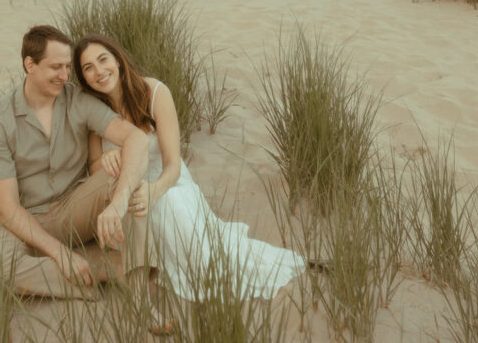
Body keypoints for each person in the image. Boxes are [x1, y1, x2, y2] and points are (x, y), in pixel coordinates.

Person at [73, 33, 307, 301]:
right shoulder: (95, 110)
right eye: (88, 68)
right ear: (83, 77)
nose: (99, 71)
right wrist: (103, 161)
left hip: (166, 183)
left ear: (117, 59)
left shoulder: (154, 93)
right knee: (134, 212)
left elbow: (173, 164)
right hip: (124, 191)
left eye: (103, 59)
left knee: (178, 220)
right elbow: (93, 169)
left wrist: (154, 190)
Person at [0, 24, 152, 302]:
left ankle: (138, 290)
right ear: (30, 65)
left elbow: (137, 140)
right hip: (27, 221)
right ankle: (106, 271)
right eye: (55, 67)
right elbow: (8, 209)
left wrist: (118, 202)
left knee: (128, 180)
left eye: (67, 68)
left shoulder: (77, 101)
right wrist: (60, 254)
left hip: (77, 208)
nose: (64, 76)